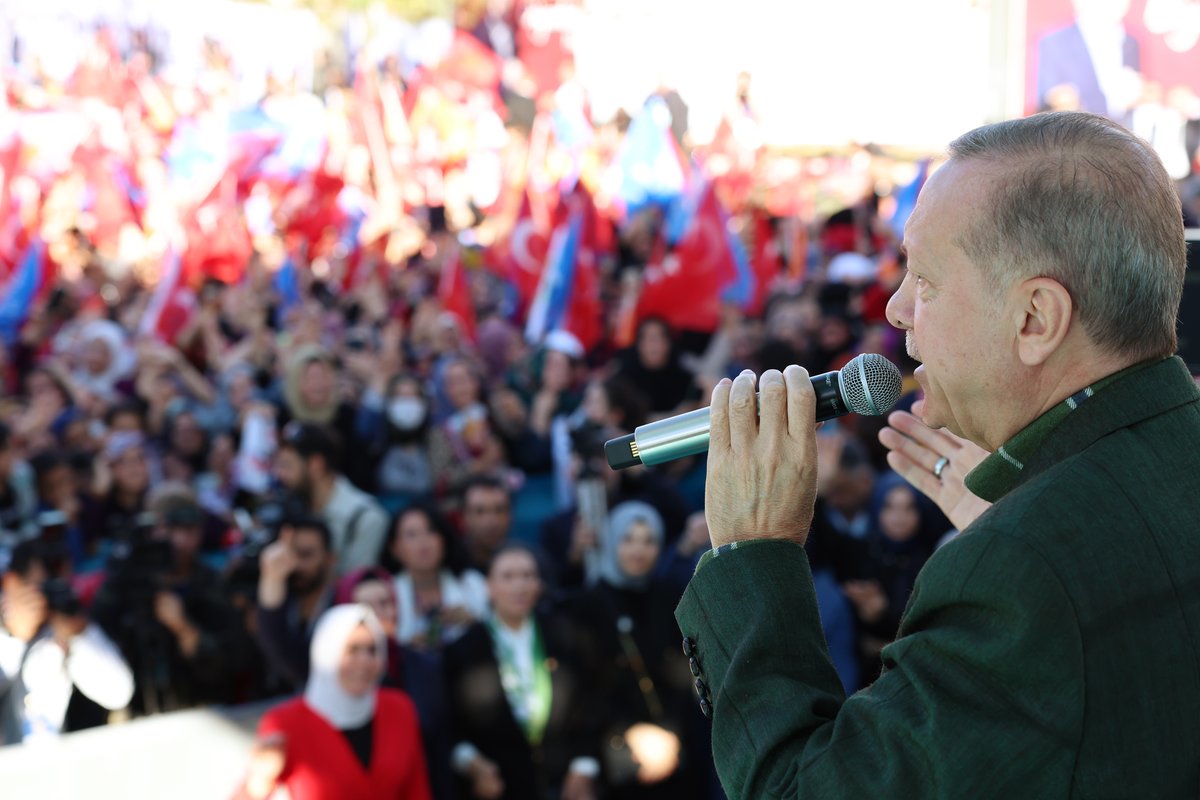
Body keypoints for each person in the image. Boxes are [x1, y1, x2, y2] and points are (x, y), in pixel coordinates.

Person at [675, 111, 1200, 798]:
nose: (896, 310)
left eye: (924, 280)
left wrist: (754, 551)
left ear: (1035, 319)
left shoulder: (1015, 572)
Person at [567, 501, 709, 799]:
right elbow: (588, 687)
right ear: (611, 542)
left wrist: (671, 733)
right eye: (628, 539)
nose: (639, 550)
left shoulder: (670, 596)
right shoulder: (589, 604)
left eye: (649, 541)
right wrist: (631, 733)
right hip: (618, 751)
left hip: (677, 745)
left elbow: (684, 670)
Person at [443, 544, 600, 800]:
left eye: (528, 575)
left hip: (563, 784)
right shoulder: (464, 649)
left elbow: (589, 703)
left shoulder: (565, 635)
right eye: (508, 576)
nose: (520, 586)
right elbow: (452, 725)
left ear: (539, 584)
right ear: (489, 586)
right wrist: (473, 765)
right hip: (499, 785)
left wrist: (584, 766)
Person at [241, 604, 433, 800]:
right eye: (352, 650)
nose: (364, 661)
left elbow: (418, 791)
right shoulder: (284, 723)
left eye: (372, 650)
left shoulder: (399, 709)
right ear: (326, 653)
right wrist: (260, 780)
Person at [0, 540, 134, 744]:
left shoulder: (68, 625)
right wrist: (14, 637)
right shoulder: (6, 635)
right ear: (11, 582)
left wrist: (80, 635)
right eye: (38, 586)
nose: (46, 595)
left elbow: (119, 694)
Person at [274, 421, 389, 576]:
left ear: (316, 464)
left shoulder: (364, 517)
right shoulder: (287, 507)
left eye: (287, 465)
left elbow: (355, 585)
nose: (279, 474)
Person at [382, 503, 489, 649]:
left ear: (444, 540)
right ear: (395, 548)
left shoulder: (473, 583)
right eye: (411, 534)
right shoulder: (385, 591)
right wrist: (405, 648)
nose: (423, 541)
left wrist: (474, 624)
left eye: (431, 531)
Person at [255, 516, 337, 692]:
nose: (295, 564)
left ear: (330, 559)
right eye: (288, 555)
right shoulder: (280, 599)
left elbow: (300, 669)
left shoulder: (343, 605)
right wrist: (272, 577)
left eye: (305, 554)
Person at [458, 476, 513, 574]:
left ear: (510, 515)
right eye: (480, 511)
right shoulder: (449, 566)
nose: (491, 521)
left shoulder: (525, 562)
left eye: (499, 510)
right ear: (463, 517)